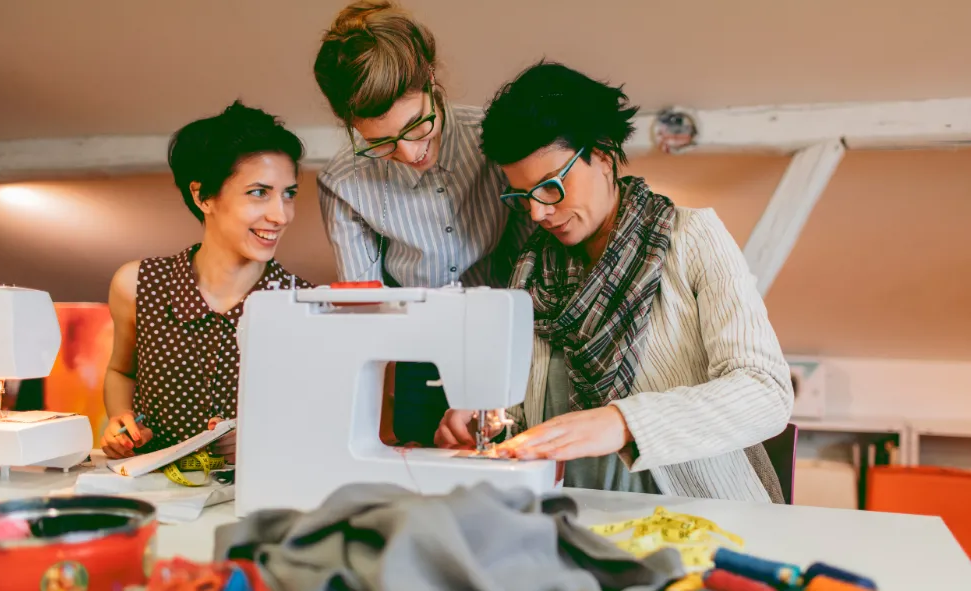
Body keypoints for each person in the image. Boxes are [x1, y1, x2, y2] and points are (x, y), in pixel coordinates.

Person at [435, 62, 794, 503]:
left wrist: (622, 423)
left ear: (602, 157)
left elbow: (765, 392)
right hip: (573, 518)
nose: (537, 212)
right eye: (522, 196)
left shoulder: (692, 238)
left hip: (698, 519)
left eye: (550, 187)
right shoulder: (529, 272)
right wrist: (482, 416)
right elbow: (529, 410)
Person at [312, 0, 536, 446]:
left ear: (431, 78)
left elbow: (532, 259)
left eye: (417, 125)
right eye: (381, 143)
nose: (411, 153)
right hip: (415, 356)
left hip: (506, 341)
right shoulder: (343, 181)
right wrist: (376, 435)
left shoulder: (492, 140)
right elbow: (365, 314)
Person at [100, 101, 313, 462]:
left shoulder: (304, 305)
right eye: (259, 192)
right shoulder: (137, 284)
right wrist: (120, 419)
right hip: (156, 494)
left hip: (251, 498)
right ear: (203, 196)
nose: (281, 215)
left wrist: (257, 439)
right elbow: (121, 370)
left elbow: (313, 415)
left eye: (288, 194)